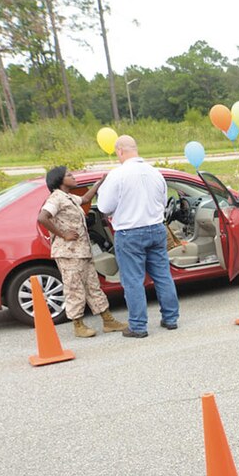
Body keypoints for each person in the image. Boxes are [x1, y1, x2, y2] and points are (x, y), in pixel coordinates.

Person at [95, 135, 179, 338]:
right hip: (156, 229)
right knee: (163, 275)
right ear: (135, 149)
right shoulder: (155, 173)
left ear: (119, 151)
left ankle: (138, 326)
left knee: (133, 280)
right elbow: (162, 200)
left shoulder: (117, 175)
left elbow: (104, 207)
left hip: (130, 232)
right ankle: (170, 318)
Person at [37, 166, 128, 337]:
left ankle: (108, 320)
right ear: (59, 180)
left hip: (82, 251)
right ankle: (78, 325)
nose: (73, 177)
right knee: (74, 288)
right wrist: (63, 234)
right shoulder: (56, 198)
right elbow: (43, 217)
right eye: (69, 175)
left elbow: (86, 199)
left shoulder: (69, 197)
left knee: (93, 286)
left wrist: (100, 182)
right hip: (68, 253)